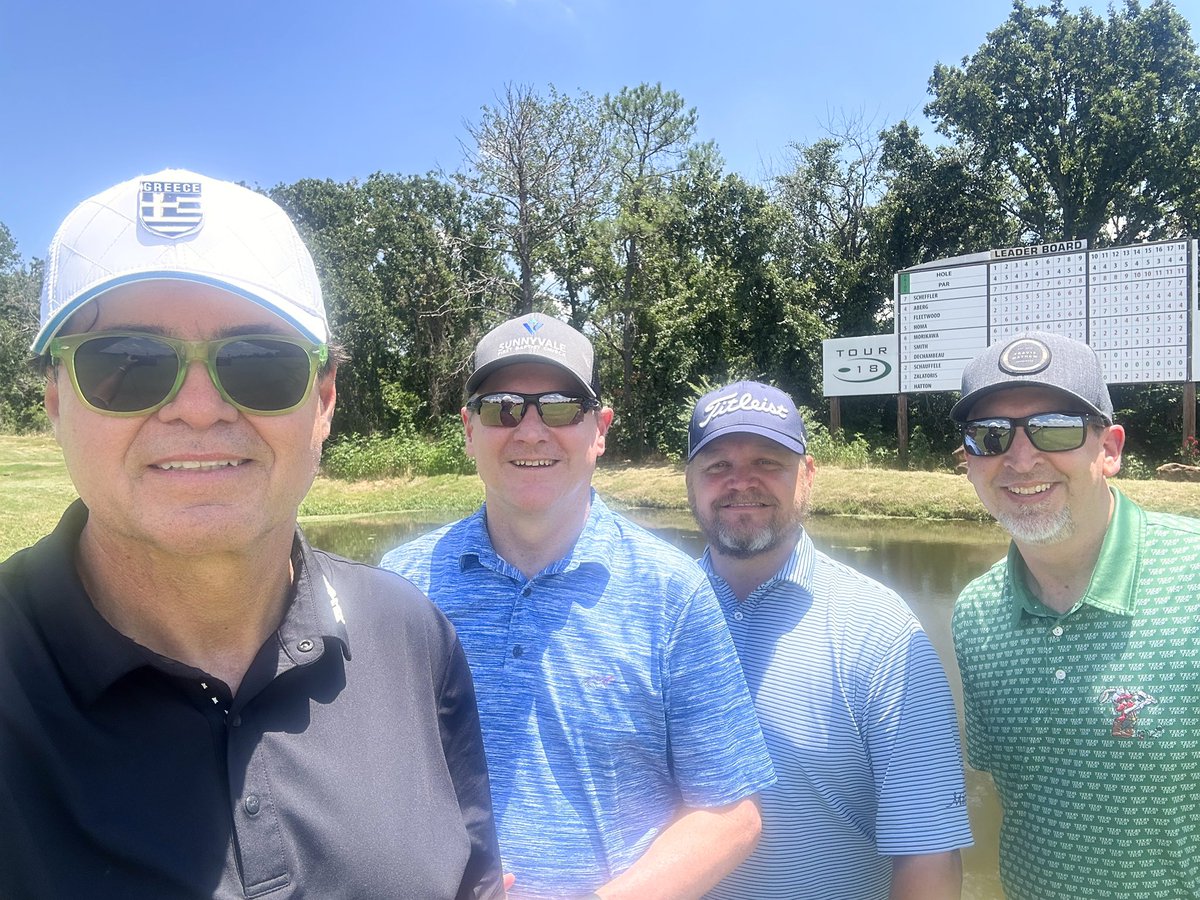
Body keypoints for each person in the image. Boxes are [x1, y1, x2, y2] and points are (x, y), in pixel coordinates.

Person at [0, 169, 504, 899]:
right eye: (127, 364)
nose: (199, 408)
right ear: (54, 401)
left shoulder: (411, 637)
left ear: (323, 400)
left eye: (259, 363)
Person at [381, 315, 776, 899]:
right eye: (502, 408)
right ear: (469, 429)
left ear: (600, 429)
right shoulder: (399, 587)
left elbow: (731, 816)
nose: (531, 431)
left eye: (561, 407)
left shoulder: (671, 591)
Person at [685, 381, 972, 900]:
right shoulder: (655, 614)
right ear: (689, 481)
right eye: (717, 465)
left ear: (807, 477)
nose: (740, 482)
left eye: (768, 462)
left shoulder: (881, 630)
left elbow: (927, 851)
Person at [951, 331, 1200, 899]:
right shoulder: (976, 615)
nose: (1019, 458)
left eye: (1055, 427)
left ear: (1109, 449)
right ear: (970, 461)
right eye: (990, 436)